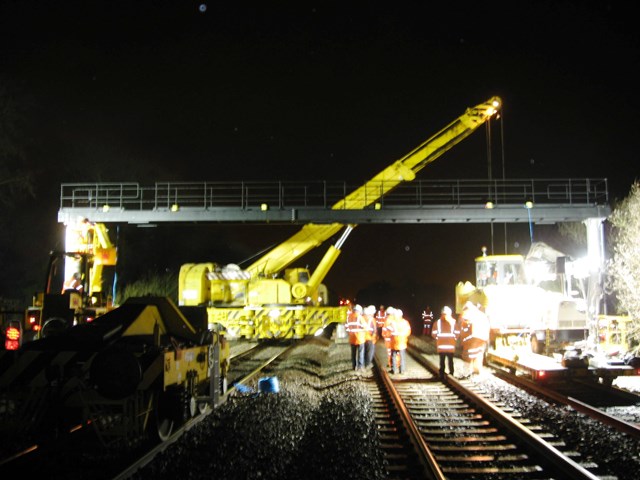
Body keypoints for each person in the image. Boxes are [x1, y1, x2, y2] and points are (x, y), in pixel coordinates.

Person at [432, 306, 458, 379]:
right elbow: (457, 332)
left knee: (442, 361)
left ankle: (441, 374)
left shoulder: (438, 322)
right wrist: (454, 338)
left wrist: (438, 338)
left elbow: (433, 333)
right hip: (450, 346)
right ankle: (451, 373)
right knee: (450, 361)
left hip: (441, 346)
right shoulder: (453, 322)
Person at [390, 308, 411, 374]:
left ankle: (394, 370)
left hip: (394, 342)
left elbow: (389, 332)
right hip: (402, 342)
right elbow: (408, 332)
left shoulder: (392, 322)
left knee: (393, 356)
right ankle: (402, 370)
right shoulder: (405, 322)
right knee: (402, 357)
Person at [346, 304, 366, 371]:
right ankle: (360, 367)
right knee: (360, 353)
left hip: (352, 338)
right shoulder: (360, 317)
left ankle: (354, 366)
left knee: (353, 353)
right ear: (359, 311)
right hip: (360, 339)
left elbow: (346, 327)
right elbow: (365, 327)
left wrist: (350, 333)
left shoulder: (349, 317)